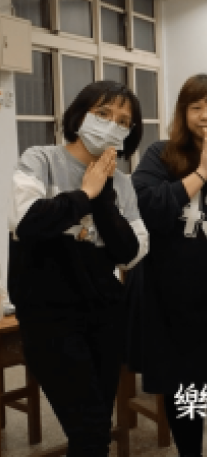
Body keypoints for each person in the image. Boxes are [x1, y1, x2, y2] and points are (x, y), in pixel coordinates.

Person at [8, 80, 148, 456]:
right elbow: (27, 222)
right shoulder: (40, 159)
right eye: (103, 113)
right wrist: (85, 194)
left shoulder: (121, 183)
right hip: (49, 318)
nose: (112, 125)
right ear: (79, 115)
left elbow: (130, 252)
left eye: (123, 121)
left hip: (104, 316)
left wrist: (102, 197)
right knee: (90, 431)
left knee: (96, 425)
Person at [132, 74, 207, 457]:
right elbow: (148, 209)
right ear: (183, 112)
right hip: (170, 305)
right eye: (196, 107)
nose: (205, 115)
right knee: (183, 395)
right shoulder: (161, 155)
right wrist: (200, 173)